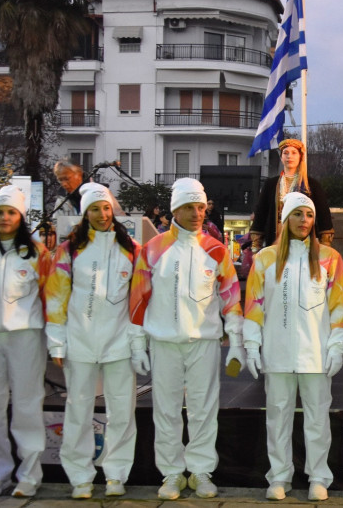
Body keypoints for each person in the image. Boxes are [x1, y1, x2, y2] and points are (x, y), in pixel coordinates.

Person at [128, 177, 245, 500]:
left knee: (203, 409)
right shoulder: (153, 249)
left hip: (203, 343)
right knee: (165, 409)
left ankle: (201, 471)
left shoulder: (216, 250)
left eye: (200, 207)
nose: (196, 213)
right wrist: (137, 343)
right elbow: (139, 298)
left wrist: (235, 341)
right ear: (175, 210)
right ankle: (171, 474)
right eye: (189, 208)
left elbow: (231, 298)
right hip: (164, 342)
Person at [243, 192, 343, 502]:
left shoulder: (330, 258)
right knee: (277, 417)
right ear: (285, 218)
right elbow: (254, 306)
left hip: (315, 354)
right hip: (277, 353)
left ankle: (318, 476)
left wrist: (336, 346)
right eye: (297, 214)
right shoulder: (265, 258)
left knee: (317, 418)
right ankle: (279, 476)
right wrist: (252, 344)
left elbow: (339, 307)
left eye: (308, 215)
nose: (304, 221)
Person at [45, 183, 140, 498]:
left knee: (122, 413)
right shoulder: (69, 250)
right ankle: (80, 477)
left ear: (113, 210)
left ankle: (116, 475)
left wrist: (138, 340)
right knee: (78, 410)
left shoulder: (131, 249)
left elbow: (140, 298)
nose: (102, 214)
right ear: (85, 212)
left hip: (120, 342)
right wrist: (57, 342)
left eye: (107, 207)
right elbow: (56, 298)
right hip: (80, 341)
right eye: (95, 208)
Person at [0, 185, 52, 497]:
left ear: (21, 217)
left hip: (25, 337)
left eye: (11, 212)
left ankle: (29, 474)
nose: (5, 218)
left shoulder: (37, 253)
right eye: (0, 213)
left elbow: (47, 296)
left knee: (28, 404)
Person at [251, 138, 334, 251]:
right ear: (281, 158)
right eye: (286, 153)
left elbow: (323, 216)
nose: (289, 156)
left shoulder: (311, 185)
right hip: (276, 241)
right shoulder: (271, 184)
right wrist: (256, 247)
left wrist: (325, 246)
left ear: (300, 157)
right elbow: (260, 215)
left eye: (294, 153)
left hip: (305, 243)